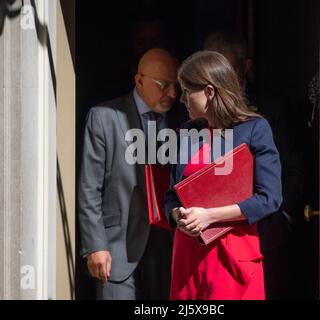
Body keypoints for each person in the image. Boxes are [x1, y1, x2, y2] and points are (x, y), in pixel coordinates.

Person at [165, 51, 282, 300]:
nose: (182, 99)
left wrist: (209, 216)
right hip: (187, 256)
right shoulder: (188, 131)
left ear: (209, 91)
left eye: (187, 91)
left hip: (232, 255)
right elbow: (171, 196)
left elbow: (270, 198)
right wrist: (178, 215)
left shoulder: (254, 129)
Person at [78, 48, 186, 300]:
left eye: (176, 86)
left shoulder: (184, 121)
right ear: (139, 80)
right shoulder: (104, 117)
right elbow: (89, 188)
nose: (172, 94)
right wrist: (95, 244)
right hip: (117, 248)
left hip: (169, 248)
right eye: (164, 85)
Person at [204, 30, 305, 299]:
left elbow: (292, 167)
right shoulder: (195, 112)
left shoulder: (273, 108)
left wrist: (283, 215)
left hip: (264, 231)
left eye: (230, 70)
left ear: (245, 67)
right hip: (212, 235)